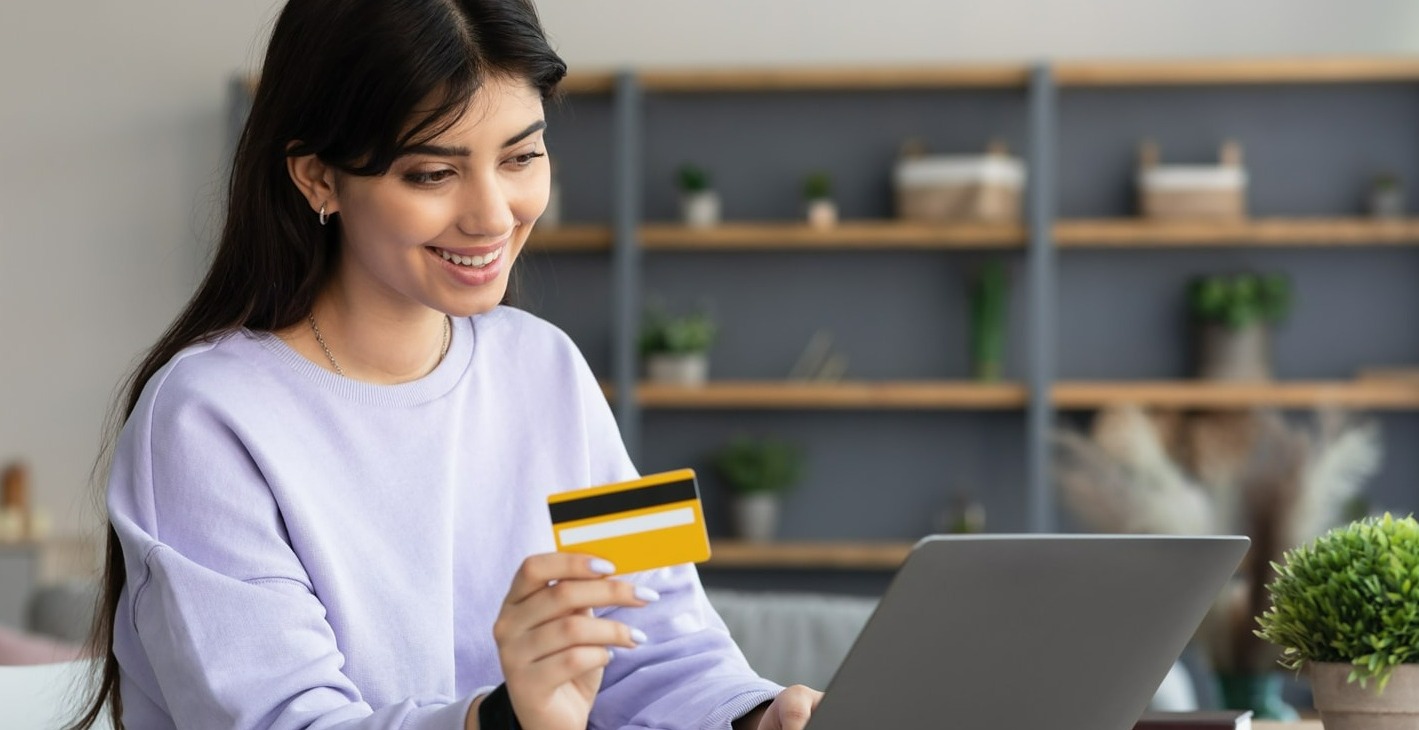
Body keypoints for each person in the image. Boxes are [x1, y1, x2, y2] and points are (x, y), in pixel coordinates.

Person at [68, 1, 823, 728]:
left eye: (522, 156)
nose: (493, 214)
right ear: (318, 179)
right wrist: (500, 718)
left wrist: (754, 715)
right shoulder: (205, 418)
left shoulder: (550, 365)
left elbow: (664, 638)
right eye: (433, 173)